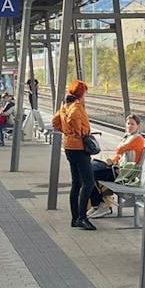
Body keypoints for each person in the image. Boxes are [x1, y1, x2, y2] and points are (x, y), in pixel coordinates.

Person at [51, 79, 97, 229]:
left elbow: (55, 122)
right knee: (88, 183)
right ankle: (82, 217)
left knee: (76, 183)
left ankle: (75, 217)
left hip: (69, 147)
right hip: (79, 148)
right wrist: (80, 132)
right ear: (81, 93)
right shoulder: (76, 106)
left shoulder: (65, 105)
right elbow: (74, 120)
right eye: (85, 92)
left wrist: (66, 132)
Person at [87, 113, 145, 218]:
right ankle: (97, 205)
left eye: (132, 124)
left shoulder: (137, 138)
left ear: (138, 126)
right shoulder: (128, 137)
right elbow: (119, 155)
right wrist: (113, 161)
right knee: (88, 171)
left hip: (125, 175)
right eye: (128, 124)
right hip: (119, 170)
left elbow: (120, 149)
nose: (129, 126)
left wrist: (117, 157)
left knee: (90, 174)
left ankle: (101, 205)